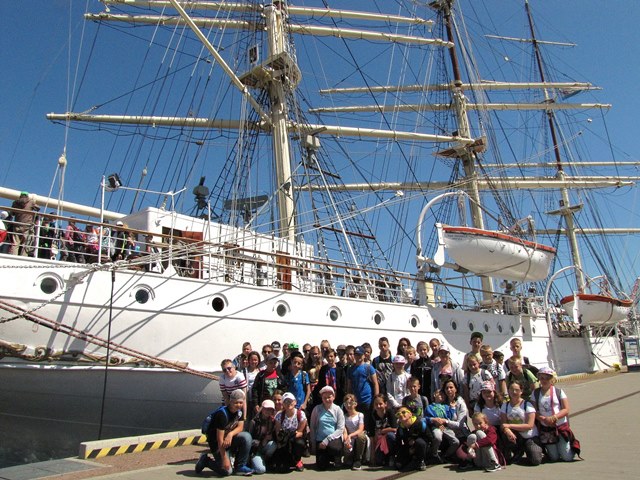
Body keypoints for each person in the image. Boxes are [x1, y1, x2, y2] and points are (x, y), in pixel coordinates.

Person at [196, 389, 254, 476]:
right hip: (217, 444)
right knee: (227, 471)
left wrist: (230, 434)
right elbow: (219, 440)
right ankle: (206, 461)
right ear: (231, 401)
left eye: (241, 402)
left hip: (228, 440)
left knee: (246, 437)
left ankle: (240, 466)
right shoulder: (222, 414)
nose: (238, 405)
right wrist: (224, 459)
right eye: (236, 402)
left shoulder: (239, 412)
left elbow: (240, 427)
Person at [530, 366, 577, 462]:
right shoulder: (535, 393)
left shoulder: (559, 392)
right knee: (554, 457)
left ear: (552, 379)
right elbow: (533, 411)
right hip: (546, 428)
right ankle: (556, 450)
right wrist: (543, 419)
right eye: (542, 378)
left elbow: (566, 409)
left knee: (567, 457)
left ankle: (569, 447)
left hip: (559, 426)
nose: (544, 380)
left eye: (547, 378)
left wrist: (554, 417)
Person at [500, 379, 543, 466]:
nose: (514, 392)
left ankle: (532, 449)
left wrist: (509, 426)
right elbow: (503, 424)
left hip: (529, 436)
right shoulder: (505, 405)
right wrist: (507, 430)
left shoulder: (527, 405)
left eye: (517, 390)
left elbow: (529, 425)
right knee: (505, 434)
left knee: (535, 461)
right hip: (516, 436)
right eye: (511, 389)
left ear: (521, 391)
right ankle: (517, 451)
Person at [309, 385, 345, 471]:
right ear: (321, 398)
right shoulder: (317, 409)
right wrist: (313, 443)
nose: (327, 399)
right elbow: (313, 426)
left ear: (333, 397)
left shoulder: (338, 410)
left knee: (335, 448)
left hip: (333, 439)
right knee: (321, 466)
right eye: (324, 397)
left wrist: (327, 440)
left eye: (329, 397)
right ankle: (326, 458)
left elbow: (340, 429)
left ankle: (336, 457)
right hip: (320, 440)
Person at [347, 346, 379, 433]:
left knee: (368, 424)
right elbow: (349, 386)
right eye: (356, 355)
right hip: (355, 402)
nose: (358, 357)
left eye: (360, 355)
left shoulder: (368, 367)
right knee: (357, 425)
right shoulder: (350, 369)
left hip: (367, 400)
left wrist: (376, 398)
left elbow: (375, 383)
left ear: (364, 355)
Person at [273, 392, 307, 472]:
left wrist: (290, 437)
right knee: (283, 468)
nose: (288, 403)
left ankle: (298, 460)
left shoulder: (301, 414)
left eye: (290, 401)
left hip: (295, 439)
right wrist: (283, 437)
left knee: (299, 443)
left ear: (295, 402)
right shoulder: (279, 415)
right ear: (283, 404)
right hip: (283, 441)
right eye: (285, 401)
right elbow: (278, 433)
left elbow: (300, 432)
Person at [425, 388, 458, 462]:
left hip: (445, 427)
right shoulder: (430, 407)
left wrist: (452, 408)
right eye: (439, 393)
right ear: (434, 395)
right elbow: (426, 418)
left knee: (456, 441)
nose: (441, 395)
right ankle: (434, 454)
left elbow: (450, 417)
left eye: (443, 394)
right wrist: (434, 420)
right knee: (438, 437)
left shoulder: (446, 407)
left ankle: (446, 455)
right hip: (435, 427)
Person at [394, 406, 430, 472]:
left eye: (403, 412)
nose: (401, 415)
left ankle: (421, 461)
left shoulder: (420, 424)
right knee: (398, 465)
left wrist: (415, 442)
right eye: (398, 414)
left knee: (420, 442)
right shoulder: (400, 429)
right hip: (409, 449)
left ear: (410, 414)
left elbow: (429, 438)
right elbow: (398, 443)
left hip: (422, 448)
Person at [247, 399, 277, 474]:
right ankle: (251, 461)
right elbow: (249, 440)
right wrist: (262, 442)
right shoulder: (253, 422)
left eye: (270, 409)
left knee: (273, 445)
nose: (268, 411)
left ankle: (265, 460)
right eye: (266, 409)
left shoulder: (273, 422)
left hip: (265, 447)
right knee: (260, 470)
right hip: (255, 450)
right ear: (262, 409)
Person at [369, 394, 397, 468]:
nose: (378, 406)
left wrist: (382, 431)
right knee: (378, 461)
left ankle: (392, 456)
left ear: (385, 404)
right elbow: (372, 435)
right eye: (376, 404)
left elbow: (395, 428)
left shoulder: (390, 412)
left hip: (390, 438)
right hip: (379, 440)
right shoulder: (373, 415)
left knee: (390, 436)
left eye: (380, 404)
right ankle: (384, 458)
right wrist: (372, 455)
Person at [342, 393, 368, 470]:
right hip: (349, 439)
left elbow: (360, 429)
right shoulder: (344, 417)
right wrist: (346, 439)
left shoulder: (360, 415)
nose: (348, 405)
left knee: (361, 436)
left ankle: (358, 459)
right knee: (347, 462)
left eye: (350, 403)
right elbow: (344, 430)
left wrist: (350, 435)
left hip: (357, 437)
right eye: (346, 404)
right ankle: (349, 458)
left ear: (355, 404)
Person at [9, 191, 38, 256]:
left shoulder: (15, 203)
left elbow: (12, 213)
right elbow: (38, 208)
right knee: (26, 243)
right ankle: (24, 256)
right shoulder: (31, 202)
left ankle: (14, 256)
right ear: (27, 196)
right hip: (27, 226)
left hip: (17, 225)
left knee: (15, 243)